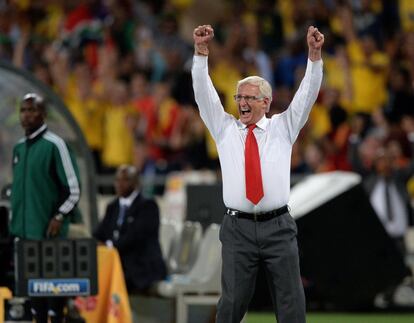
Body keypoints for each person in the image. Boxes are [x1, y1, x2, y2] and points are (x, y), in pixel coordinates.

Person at [192, 25, 324, 323]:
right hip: (237, 228)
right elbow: (204, 95)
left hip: (278, 226)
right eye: (239, 97)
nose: (242, 103)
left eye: (250, 98)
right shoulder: (224, 129)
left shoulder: (283, 128)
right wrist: (201, 55)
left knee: (291, 304)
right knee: (232, 304)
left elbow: (307, 95)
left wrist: (314, 57)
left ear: (266, 102)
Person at [10, 93, 81, 323]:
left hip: (49, 235)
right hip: (24, 232)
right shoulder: (19, 148)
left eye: (32, 110)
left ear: (44, 114)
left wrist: (59, 216)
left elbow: (74, 188)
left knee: (53, 294)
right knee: (32, 297)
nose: (27, 115)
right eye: (23, 110)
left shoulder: (55, 145)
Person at [93, 164, 167, 293]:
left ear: (136, 183)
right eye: (117, 180)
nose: (120, 184)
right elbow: (99, 233)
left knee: (106, 280)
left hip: (141, 267)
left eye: (125, 180)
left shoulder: (148, 206)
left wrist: (108, 246)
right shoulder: (113, 206)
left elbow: (135, 238)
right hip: (119, 264)